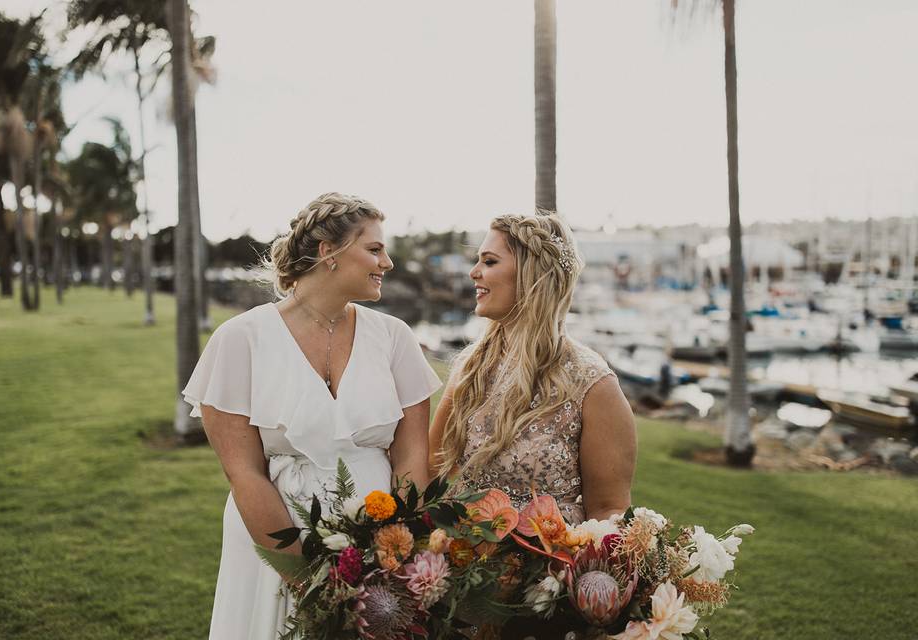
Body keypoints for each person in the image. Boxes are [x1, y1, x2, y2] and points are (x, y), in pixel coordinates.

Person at [183, 192, 441, 640]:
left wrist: (396, 553)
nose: (388, 263)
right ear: (329, 253)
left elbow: (412, 456)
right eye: (375, 249)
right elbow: (244, 474)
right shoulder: (240, 340)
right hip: (276, 544)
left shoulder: (394, 338)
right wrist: (307, 581)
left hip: (379, 547)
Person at [429, 212, 637, 526]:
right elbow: (432, 468)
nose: (474, 272)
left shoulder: (594, 386)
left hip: (550, 566)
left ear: (531, 274)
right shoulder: (470, 367)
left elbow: (609, 511)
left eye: (489, 261)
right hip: (462, 558)